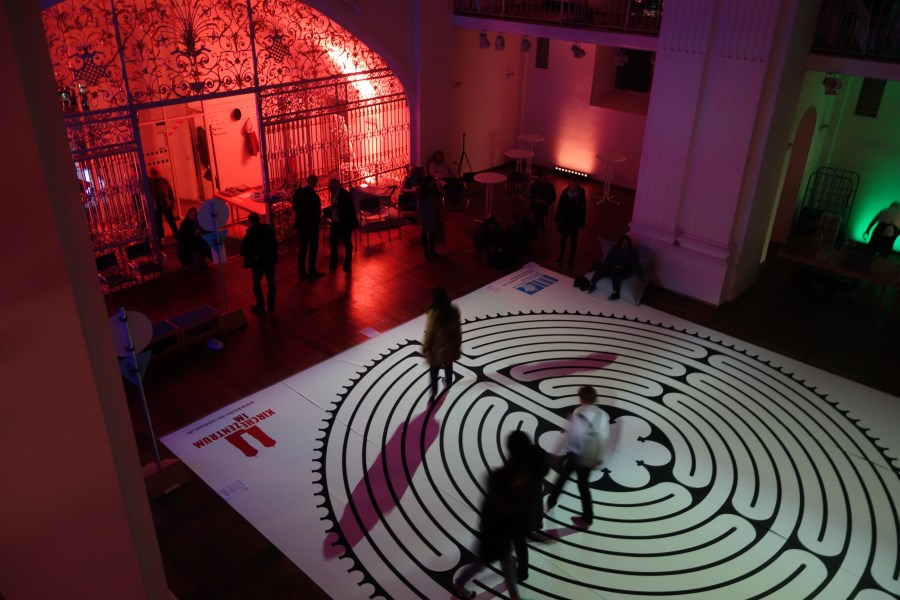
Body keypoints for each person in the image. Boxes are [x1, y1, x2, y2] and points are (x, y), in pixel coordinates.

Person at [452, 431, 543, 600]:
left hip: (498, 533)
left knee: (501, 563)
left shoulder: (503, 476)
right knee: (481, 564)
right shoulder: (508, 480)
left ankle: (514, 595)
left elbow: (488, 506)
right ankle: (459, 584)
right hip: (495, 534)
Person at [545, 385, 609, 529]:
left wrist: (558, 452)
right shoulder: (603, 415)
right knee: (583, 486)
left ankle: (551, 501)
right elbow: (605, 437)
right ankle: (587, 517)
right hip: (593, 457)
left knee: (561, 478)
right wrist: (599, 456)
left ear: (581, 398)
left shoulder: (577, 414)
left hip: (578, 457)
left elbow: (572, 437)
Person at [422, 287, 462, 403]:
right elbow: (458, 330)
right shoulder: (453, 310)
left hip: (436, 349)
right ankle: (448, 382)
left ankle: (433, 394)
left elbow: (429, 333)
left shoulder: (433, 313)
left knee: (433, 372)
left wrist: (426, 349)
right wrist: (457, 346)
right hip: (450, 346)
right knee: (448, 365)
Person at [240, 212, 279, 314]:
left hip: (258, 264)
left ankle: (260, 305)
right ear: (259, 219)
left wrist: (253, 256)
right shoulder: (268, 229)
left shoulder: (250, 234)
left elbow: (244, 250)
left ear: (250, 221)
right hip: (270, 261)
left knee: (257, 285)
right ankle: (271, 305)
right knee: (271, 283)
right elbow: (274, 243)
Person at [589, 235, 644, 301]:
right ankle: (592, 284)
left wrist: (641, 278)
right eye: (624, 243)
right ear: (620, 243)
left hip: (624, 271)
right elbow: (607, 260)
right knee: (602, 267)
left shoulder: (632, 253)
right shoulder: (615, 249)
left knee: (615, 272)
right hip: (613, 267)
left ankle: (616, 293)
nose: (625, 245)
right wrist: (614, 265)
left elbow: (637, 265)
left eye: (627, 244)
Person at [293, 173, 324, 280]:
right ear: (315, 183)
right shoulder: (314, 196)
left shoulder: (298, 192)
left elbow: (294, 207)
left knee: (303, 248)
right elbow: (317, 212)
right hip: (311, 226)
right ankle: (312, 269)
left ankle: (301, 271)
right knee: (313, 247)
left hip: (301, 224)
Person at [327, 178, 359, 273]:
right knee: (333, 243)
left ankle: (347, 262)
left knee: (347, 242)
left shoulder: (346, 195)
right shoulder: (334, 195)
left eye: (331, 186)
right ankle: (333, 262)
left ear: (335, 185)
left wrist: (337, 209)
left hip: (345, 223)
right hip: (336, 222)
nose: (330, 188)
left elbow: (349, 210)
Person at [555, 179, 587, 267]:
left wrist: (581, 224)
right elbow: (560, 206)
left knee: (573, 239)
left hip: (574, 221)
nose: (572, 186)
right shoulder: (565, 193)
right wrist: (557, 219)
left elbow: (583, 210)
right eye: (571, 184)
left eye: (574, 184)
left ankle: (571, 258)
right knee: (563, 238)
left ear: (577, 185)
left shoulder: (581, 195)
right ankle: (561, 256)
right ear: (569, 185)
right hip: (564, 220)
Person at [148, 167, 178, 243]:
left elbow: (170, 192)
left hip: (166, 205)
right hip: (156, 207)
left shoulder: (164, 181)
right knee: (159, 224)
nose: (155, 175)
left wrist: (171, 202)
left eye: (156, 173)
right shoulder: (149, 183)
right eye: (153, 173)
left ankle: (178, 236)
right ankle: (161, 238)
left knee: (171, 222)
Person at [418, 175, 443, 259]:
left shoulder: (433, 192)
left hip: (433, 214)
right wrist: (421, 219)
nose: (432, 184)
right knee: (425, 232)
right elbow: (420, 208)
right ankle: (426, 251)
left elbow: (437, 203)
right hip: (426, 215)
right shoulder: (423, 195)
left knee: (432, 233)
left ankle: (432, 249)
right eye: (430, 182)